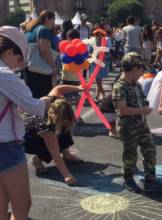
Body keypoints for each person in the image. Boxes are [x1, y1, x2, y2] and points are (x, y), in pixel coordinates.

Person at [0, 26, 50, 220]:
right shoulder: (5, 75)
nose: (17, 65)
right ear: (9, 51)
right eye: (18, 59)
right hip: (7, 146)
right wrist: (48, 99)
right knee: (22, 205)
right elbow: (35, 108)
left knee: (2, 204)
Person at [112, 52, 156, 192]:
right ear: (134, 68)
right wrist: (143, 110)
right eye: (141, 69)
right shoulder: (119, 87)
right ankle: (128, 176)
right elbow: (123, 110)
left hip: (142, 124)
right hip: (128, 127)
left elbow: (141, 101)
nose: (142, 72)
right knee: (130, 154)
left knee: (150, 149)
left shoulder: (136, 84)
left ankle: (150, 175)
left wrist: (146, 105)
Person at [24, 85, 84, 186]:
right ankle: (37, 158)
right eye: (62, 121)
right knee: (50, 147)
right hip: (31, 136)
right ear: (56, 118)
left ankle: (66, 154)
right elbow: (55, 155)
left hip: (50, 123)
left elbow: (59, 88)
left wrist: (78, 88)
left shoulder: (57, 100)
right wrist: (67, 175)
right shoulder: (45, 126)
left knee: (64, 129)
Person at [24, 10, 57, 98]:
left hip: (29, 69)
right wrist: (53, 66)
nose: (53, 23)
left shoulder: (31, 29)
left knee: (33, 98)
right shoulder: (44, 30)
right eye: (53, 20)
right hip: (42, 71)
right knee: (44, 98)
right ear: (47, 19)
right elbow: (44, 50)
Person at [89, 28, 110, 101]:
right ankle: (103, 96)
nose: (99, 37)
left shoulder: (105, 44)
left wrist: (104, 55)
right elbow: (89, 53)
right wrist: (95, 54)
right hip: (95, 64)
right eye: (98, 35)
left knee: (99, 81)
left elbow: (108, 55)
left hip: (102, 64)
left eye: (101, 35)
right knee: (98, 81)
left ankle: (98, 96)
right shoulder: (92, 44)